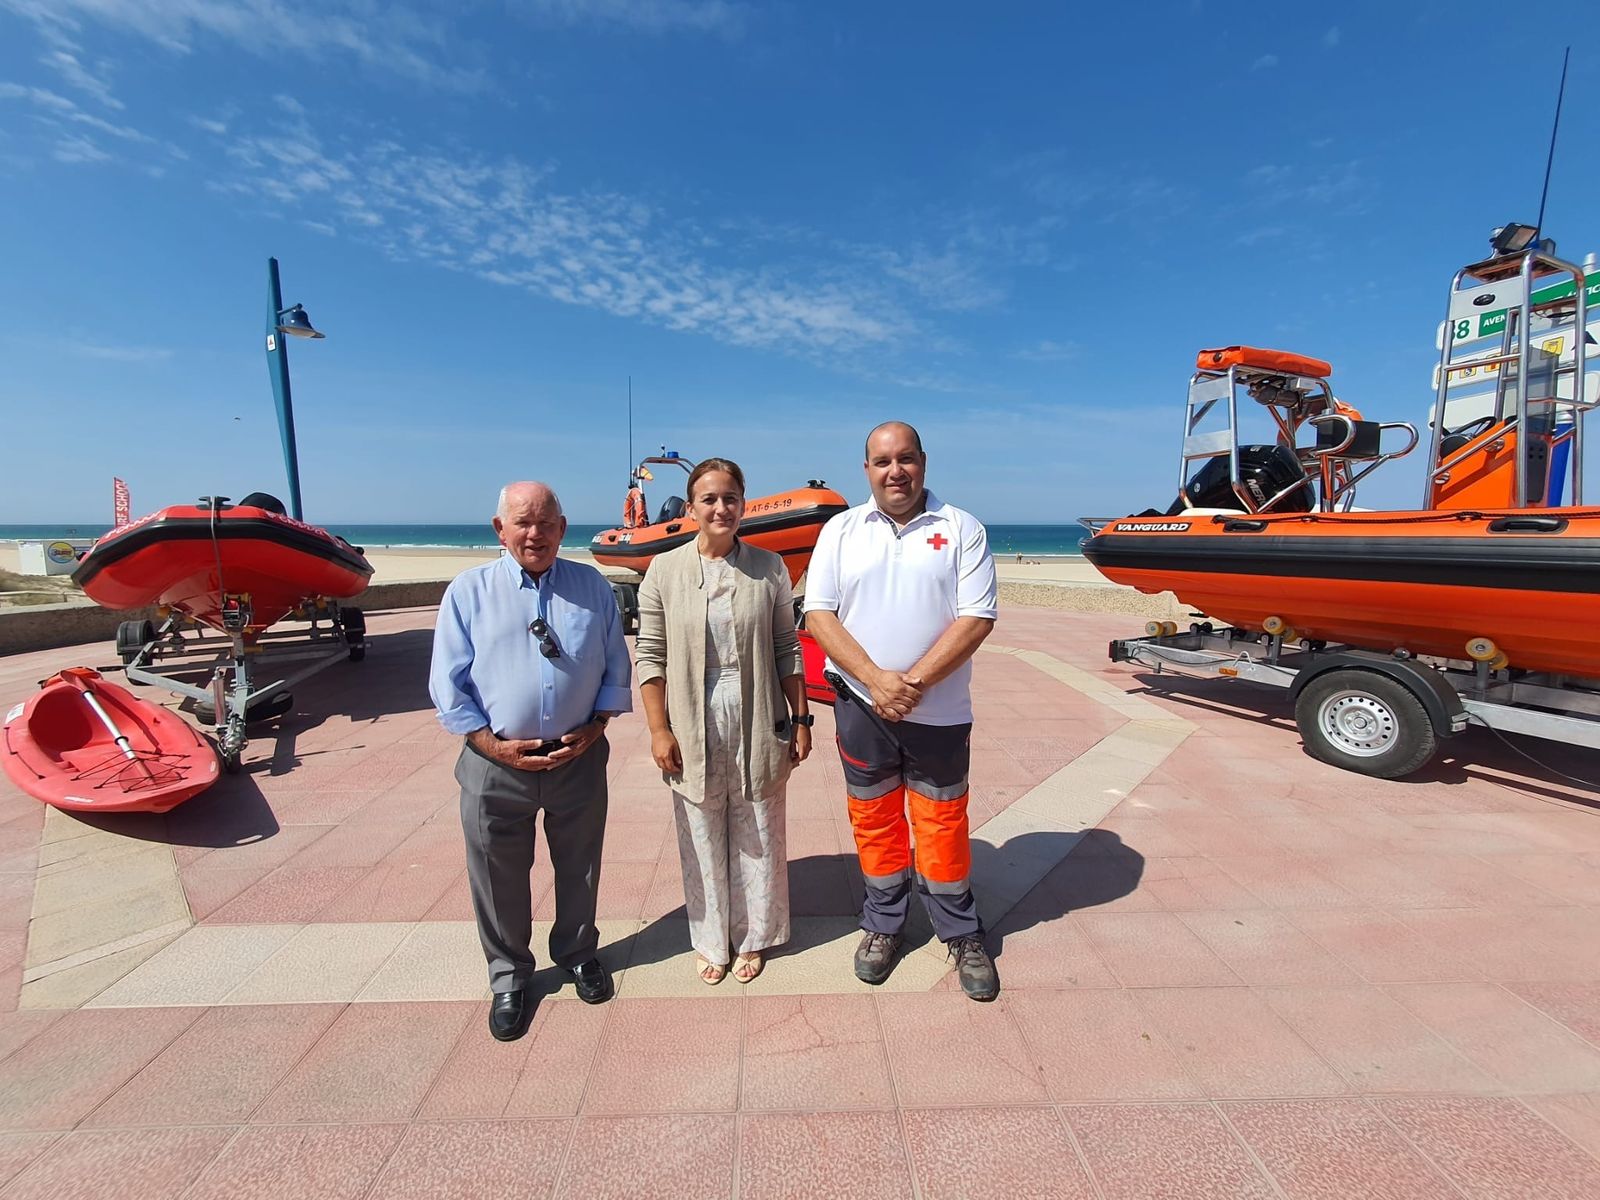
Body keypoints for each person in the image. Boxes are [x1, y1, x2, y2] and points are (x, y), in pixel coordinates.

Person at [803, 421, 1001, 1001]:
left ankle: (960, 930)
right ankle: (883, 924)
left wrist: (909, 684)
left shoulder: (962, 528)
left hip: (938, 712)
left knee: (941, 820)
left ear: (924, 462)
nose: (896, 471)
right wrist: (874, 682)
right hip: (860, 709)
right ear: (866, 469)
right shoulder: (840, 531)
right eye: (882, 461)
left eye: (906, 459)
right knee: (874, 818)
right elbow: (819, 615)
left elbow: (977, 618)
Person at [429, 482, 632, 1041]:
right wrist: (490, 744)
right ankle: (509, 976)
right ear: (500, 529)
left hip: (578, 758)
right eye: (522, 522)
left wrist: (595, 729)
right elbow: (447, 686)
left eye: (546, 523)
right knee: (496, 876)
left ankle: (576, 952)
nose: (534, 533)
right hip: (494, 763)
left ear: (563, 529)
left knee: (580, 865)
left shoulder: (592, 587)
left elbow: (616, 667)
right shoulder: (468, 593)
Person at [635, 458, 811, 984]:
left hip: (758, 709)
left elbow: (787, 646)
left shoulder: (769, 567)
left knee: (758, 823)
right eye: (709, 498)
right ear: (691, 508)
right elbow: (650, 653)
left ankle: (755, 936)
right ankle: (712, 938)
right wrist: (658, 729)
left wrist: (800, 718)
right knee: (700, 829)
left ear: (743, 505)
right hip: (691, 712)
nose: (721, 508)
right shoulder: (663, 571)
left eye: (730, 498)